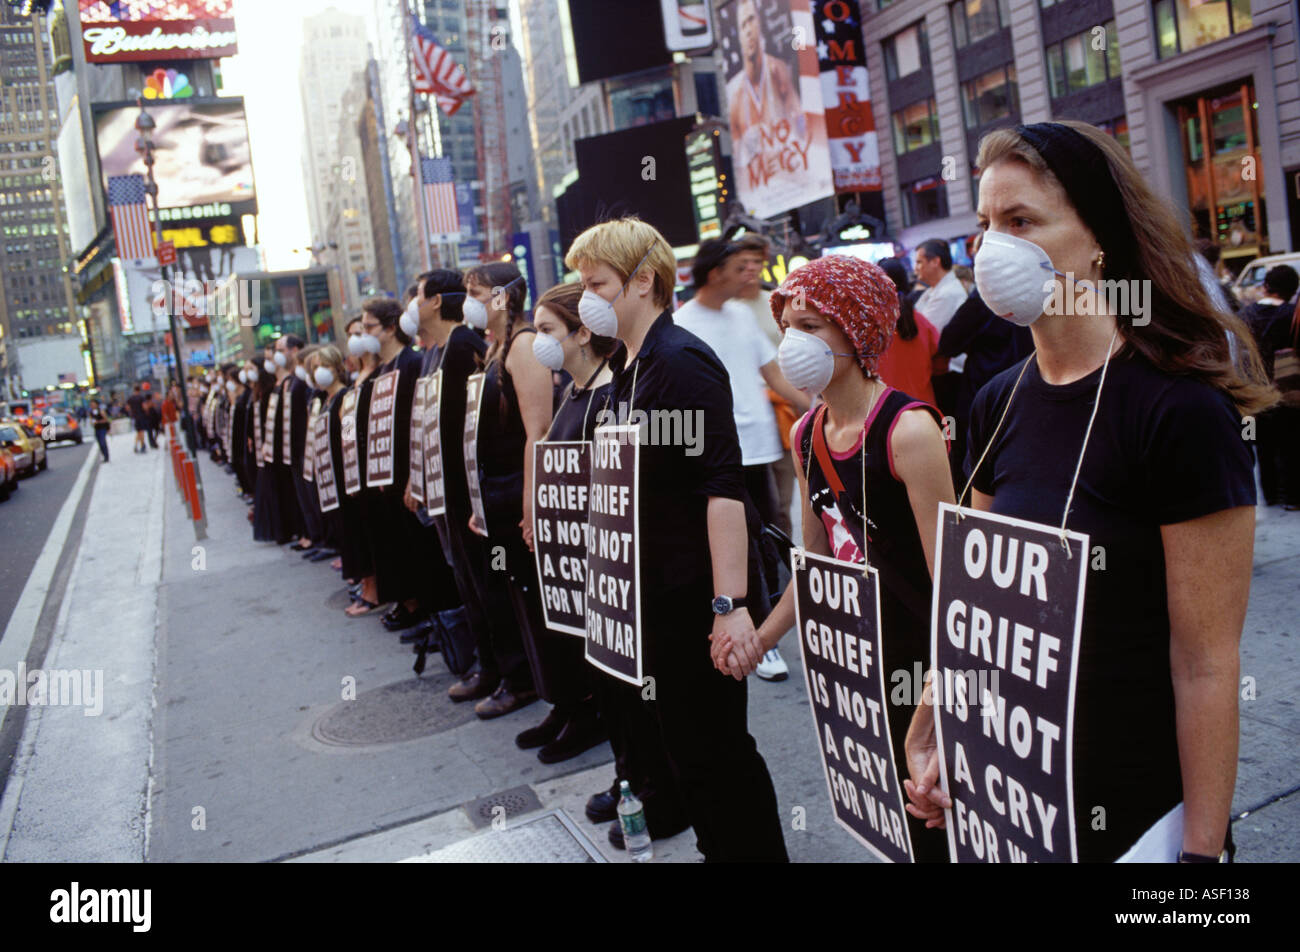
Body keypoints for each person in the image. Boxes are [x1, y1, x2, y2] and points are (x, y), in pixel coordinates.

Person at [903, 119, 1274, 863]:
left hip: (1138, 819)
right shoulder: (995, 402)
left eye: (1021, 221)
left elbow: (1204, 665)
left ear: (1099, 237)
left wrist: (1202, 858)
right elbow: (978, 603)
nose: (991, 247)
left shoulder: (1179, 411)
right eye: (983, 225)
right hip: (1015, 803)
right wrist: (938, 715)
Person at [713, 253, 956, 862]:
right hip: (863, 663)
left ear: (857, 332)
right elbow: (815, 564)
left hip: (926, 669)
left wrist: (937, 700)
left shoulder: (909, 431)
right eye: (789, 325)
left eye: (813, 326)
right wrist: (761, 639)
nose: (794, 341)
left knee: (939, 824)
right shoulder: (806, 433)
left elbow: (957, 588)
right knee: (900, 827)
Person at [565, 215, 788, 862]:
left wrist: (730, 606)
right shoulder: (629, 368)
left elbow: (722, 490)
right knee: (690, 752)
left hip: (694, 600)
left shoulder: (679, 362)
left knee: (718, 754)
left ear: (643, 282)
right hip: (652, 602)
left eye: (597, 282)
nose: (587, 297)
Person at [675, 237, 809, 681]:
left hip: (762, 445)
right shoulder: (683, 324)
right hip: (717, 458)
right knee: (740, 549)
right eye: (740, 267)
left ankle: (766, 631)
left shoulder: (743, 317)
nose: (750, 274)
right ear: (715, 273)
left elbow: (772, 374)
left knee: (769, 538)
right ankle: (751, 635)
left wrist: (820, 407)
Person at [517, 282, 616, 761]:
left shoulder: (611, 394)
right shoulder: (574, 391)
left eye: (546, 329)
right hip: (570, 559)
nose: (538, 341)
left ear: (581, 334)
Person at [457, 261, 549, 720]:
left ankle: (547, 691)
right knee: (509, 597)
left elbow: (538, 432)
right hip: (494, 498)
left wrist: (530, 505)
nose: (468, 302)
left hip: (517, 495)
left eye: (476, 292)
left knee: (530, 599)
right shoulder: (496, 349)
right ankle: (529, 683)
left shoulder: (525, 346)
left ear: (503, 296)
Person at [1240, 264, 1300, 508]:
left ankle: (1270, 493)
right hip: (1287, 387)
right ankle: (1293, 496)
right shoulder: (1292, 315)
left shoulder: (1245, 315)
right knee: (1291, 442)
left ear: (1266, 287)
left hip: (1253, 388)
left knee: (1261, 443)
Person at [913, 239, 969, 428]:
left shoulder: (948, 293)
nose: (916, 268)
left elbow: (923, 334)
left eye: (920, 262)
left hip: (950, 374)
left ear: (935, 261)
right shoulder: (935, 291)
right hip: (941, 372)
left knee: (949, 431)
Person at [877, 256, 941, 407]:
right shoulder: (923, 323)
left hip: (887, 412)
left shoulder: (870, 327)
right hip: (925, 410)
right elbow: (940, 364)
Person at [126, 383, 148, 454]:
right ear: (139, 390)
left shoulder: (130, 398)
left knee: (138, 431)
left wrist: (132, 410)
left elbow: (127, 408)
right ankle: (142, 445)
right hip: (141, 415)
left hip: (134, 416)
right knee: (141, 431)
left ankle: (136, 445)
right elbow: (144, 407)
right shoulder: (141, 398)